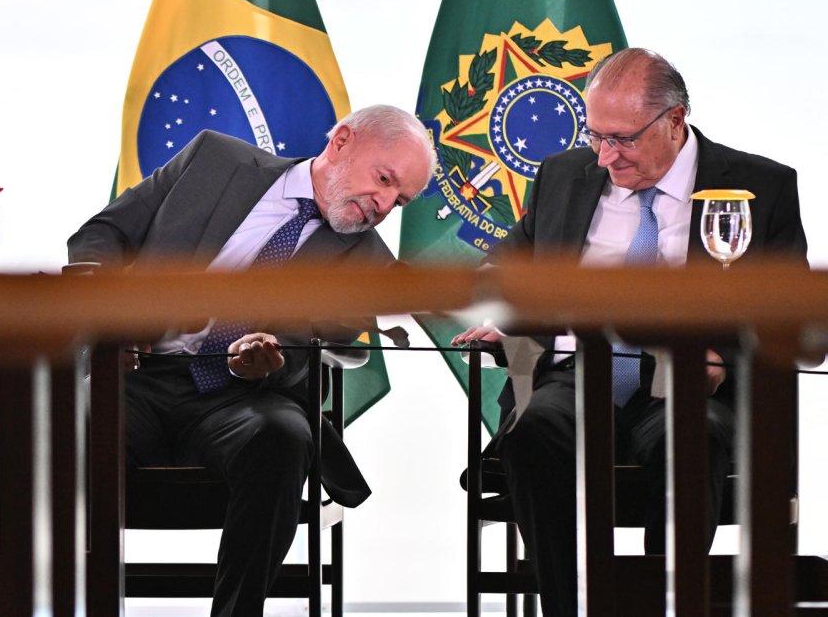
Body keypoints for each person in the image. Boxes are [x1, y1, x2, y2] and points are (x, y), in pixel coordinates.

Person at [451, 48, 808, 617]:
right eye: (596, 136)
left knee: (691, 437)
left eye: (622, 139)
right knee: (535, 430)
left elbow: (787, 308)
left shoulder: (759, 186)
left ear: (675, 120)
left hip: (690, 383)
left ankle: (670, 606)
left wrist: (722, 349)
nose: (605, 157)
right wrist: (504, 316)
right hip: (574, 374)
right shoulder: (564, 176)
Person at [68, 105, 434, 616]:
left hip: (244, 401)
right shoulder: (214, 159)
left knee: (284, 437)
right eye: (384, 179)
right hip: (139, 373)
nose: (384, 204)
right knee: (67, 422)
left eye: (401, 199)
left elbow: (336, 345)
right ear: (343, 141)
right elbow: (101, 235)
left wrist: (274, 363)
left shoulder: (366, 258)